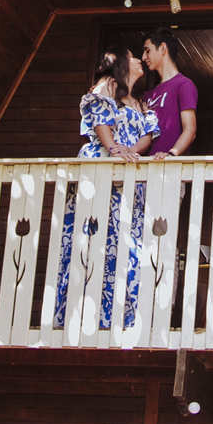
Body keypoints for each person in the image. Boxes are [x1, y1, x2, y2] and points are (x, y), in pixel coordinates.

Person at [54, 48, 158, 330]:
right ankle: (80, 316)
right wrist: (113, 148)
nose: (139, 59)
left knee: (124, 242)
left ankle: (116, 319)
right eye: (133, 56)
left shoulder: (141, 103)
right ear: (122, 64)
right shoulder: (108, 85)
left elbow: (147, 137)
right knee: (94, 238)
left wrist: (130, 153)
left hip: (128, 172)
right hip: (102, 163)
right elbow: (100, 118)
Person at [142, 27, 198, 159]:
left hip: (170, 167)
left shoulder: (183, 84)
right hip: (144, 167)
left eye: (147, 51)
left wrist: (172, 155)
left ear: (163, 48)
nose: (143, 57)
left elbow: (190, 129)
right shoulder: (147, 95)